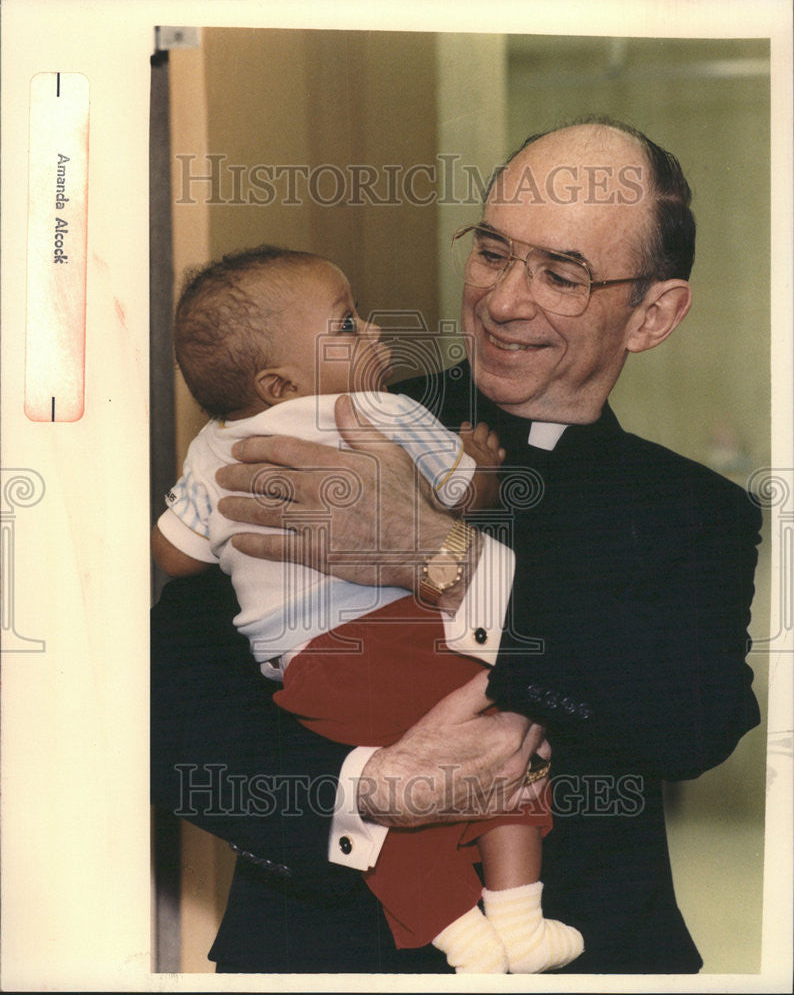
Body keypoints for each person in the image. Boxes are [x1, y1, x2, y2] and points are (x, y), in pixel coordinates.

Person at [151, 117, 762, 974]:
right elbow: (166, 709)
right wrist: (365, 789)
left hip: (596, 963)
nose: (505, 299)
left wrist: (446, 556)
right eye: (492, 252)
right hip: (323, 960)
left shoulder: (694, 511)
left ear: (653, 313)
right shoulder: (318, 425)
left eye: (561, 274)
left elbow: (691, 721)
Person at [151, 245, 584, 973]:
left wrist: (242, 541)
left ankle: (460, 935)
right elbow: (463, 493)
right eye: (350, 324)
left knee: (399, 794)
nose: (376, 331)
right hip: (406, 641)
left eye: (562, 273)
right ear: (281, 379)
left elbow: (173, 559)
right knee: (509, 757)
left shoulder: (211, 452)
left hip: (305, 671)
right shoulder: (384, 412)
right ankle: (518, 914)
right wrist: (477, 469)